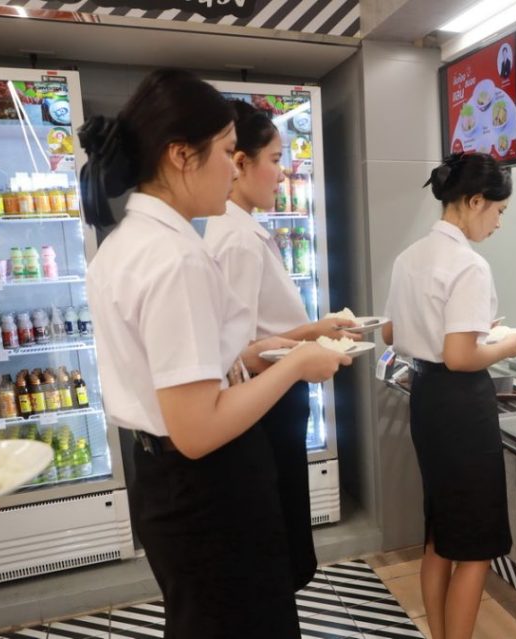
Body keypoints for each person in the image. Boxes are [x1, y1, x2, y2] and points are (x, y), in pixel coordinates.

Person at [78, 69, 351, 638]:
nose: (236, 166)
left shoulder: (130, 242)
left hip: (168, 481)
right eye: (228, 151)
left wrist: (257, 354)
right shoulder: (176, 258)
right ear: (181, 155)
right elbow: (197, 428)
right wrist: (299, 364)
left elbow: (183, 376)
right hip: (207, 485)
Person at [202, 100, 358, 591]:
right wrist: (309, 349)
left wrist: (317, 329)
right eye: (274, 158)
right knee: (278, 540)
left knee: (282, 532)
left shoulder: (239, 228)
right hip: (265, 405)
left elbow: (254, 332)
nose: (282, 171)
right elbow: (241, 352)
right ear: (238, 162)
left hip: (272, 400)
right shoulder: (237, 239)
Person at [382, 153, 516, 639]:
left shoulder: (410, 257)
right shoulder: (468, 264)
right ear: (473, 201)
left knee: (440, 535)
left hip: (426, 400)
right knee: (475, 546)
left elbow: (390, 332)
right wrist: (507, 343)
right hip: (462, 406)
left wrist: (467, 331)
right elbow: (462, 357)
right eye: (499, 211)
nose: (499, 223)